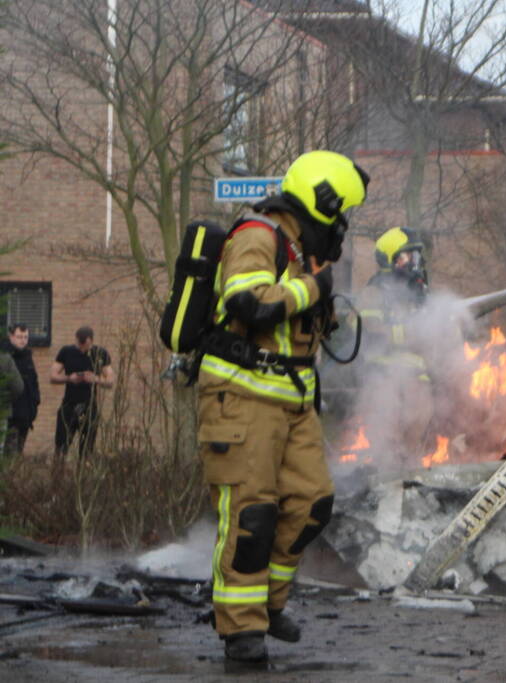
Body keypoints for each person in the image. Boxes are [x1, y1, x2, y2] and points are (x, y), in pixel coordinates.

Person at [195, 150, 369, 664]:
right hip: (241, 397)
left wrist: (321, 302)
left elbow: (295, 320)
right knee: (253, 515)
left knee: (311, 504)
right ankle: (241, 631)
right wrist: (311, 287)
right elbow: (246, 302)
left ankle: (266, 605)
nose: (340, 225)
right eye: (338, 213)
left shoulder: (296, 251)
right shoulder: (259, 236)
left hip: (292, 402)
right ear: (321, 200)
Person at [355, 226, 434, 464]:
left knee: (414, 452)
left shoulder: (419, 294)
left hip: (417, 382)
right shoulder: (374, 292)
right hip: (384, 383)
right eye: (407, 256)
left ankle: (412, 493)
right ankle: (386, 494)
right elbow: (370, 332)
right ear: (390, 259)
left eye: (416, 256)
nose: (414, 263)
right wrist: (409, 334)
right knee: (387, 452)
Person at [50, 326, 114, 459]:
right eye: (78, 343)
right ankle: (57, 476)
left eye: (83, 344)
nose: (80, 347)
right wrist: (69, 378)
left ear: (90, 341)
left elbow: (110, 381)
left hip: (89, 407)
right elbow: (53, 376)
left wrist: (95, 379)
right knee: (61, 448)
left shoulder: (100, 353)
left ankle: (84, 476)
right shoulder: (66, 351)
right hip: (68, 405)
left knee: (87, 450)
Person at [1, 324, 38, 458]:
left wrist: (34, 404)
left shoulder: (28, 356)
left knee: (19, 453)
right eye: (19, 337)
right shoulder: (6, 358)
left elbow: (33, 384)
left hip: (26, 414)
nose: (23, 340)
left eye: (25, 337)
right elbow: (14, 387)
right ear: (11, 337)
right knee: (9, 454)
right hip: (11, 414)